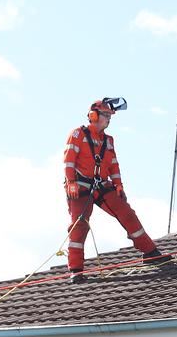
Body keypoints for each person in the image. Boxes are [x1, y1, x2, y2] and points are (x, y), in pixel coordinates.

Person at [63, 97, 170, 283]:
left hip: (101, 185)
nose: (109, 119)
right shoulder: (78, 134)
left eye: (110, 116)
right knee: (78, 226)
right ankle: (76, 270)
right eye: (106, 115)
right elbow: (69, 160)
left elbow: (113, 165)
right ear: (93, 115)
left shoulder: (108, 141)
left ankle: (150, 253)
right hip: (80, 186)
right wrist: (71, 181)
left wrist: (119, 185)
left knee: (127, 213)